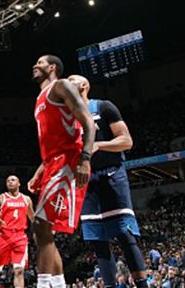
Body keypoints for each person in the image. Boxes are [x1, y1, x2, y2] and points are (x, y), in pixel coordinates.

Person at [67, 74, 149, 288]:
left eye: (72, 78)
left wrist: (99, 145)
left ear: (84, 85)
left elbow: (127, 141)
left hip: (111, 173)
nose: (68, 81)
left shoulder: (103, 106)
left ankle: (143, 285)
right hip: (86, 180)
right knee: (98, 240)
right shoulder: (68, 118)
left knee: (124, 233)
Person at [27, 55, 95, 288]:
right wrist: (40, 170)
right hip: (52, 162)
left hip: (68, 160)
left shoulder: (61, 85)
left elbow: (87, 121)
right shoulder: (39, 98)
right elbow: (50, 140)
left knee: (40, 224)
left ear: (53, 67)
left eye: (40, 62)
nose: (35, 65)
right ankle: (57, 284)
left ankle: (43, 283)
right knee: (43, 231)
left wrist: (85, 158)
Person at [0, 175, 35, 288]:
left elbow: (32, 218)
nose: (10, 182)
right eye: (8, 181)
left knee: (19, 270)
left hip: (20, 236)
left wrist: (41, 229)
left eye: (13, 180)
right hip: (3, 236)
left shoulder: (26, 199)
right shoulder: (0, 198)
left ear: (19, 184)